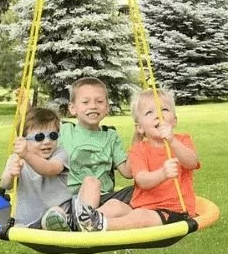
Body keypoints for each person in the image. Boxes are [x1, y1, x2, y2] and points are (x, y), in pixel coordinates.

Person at [41, 76, 157, 233]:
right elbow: (36, 133)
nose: (93, 106)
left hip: (105, 200)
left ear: (107, 107)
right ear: (72, 108)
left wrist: (138, 136)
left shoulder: (110, 136)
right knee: (91, 182)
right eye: (85, 102)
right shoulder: (64, 130)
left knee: (124, 202)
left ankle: (83, 222)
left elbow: (128, 172)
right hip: (70, 198)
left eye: (99, 102)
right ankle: (78, 219)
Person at [127, 88, 200, 225]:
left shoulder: (182, 141)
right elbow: (142, 180)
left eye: (164, 110)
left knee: (140, 216)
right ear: (140, 128)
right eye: (149, 112)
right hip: (141, 207)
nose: (158, 115)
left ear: (175, 121)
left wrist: (172, 141)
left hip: (174, 210)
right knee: (114, 205)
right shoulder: (138, 149)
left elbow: (192, 162)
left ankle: (100, 225)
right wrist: (163, 173)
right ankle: (87, 219)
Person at [0, 107, 71, 229]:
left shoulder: (60, 154)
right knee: (18, 229)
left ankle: (55, 224)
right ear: (23, 140)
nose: (47, 141)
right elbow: (5, 185)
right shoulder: (16, 159)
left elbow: (49, 170)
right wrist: (10, 175)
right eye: (39, 137)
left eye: (53, 136)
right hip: (29, 219)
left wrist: (27, 155)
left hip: (60, 214)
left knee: (56, 212)